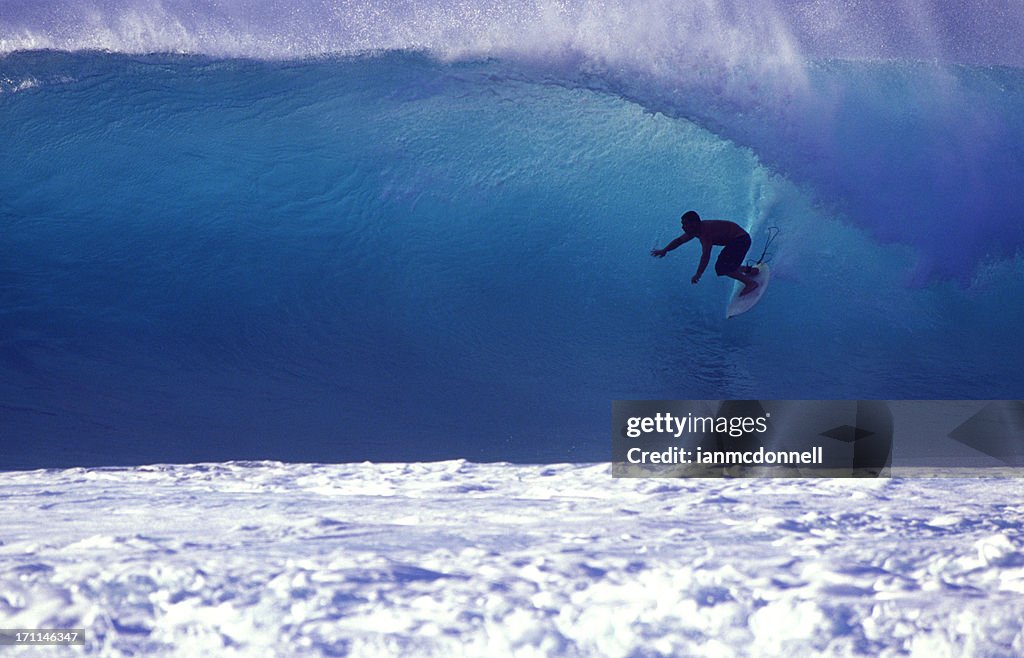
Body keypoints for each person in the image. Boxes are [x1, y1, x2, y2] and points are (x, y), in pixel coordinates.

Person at [651, 210, 759, 296]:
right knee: (726, 263)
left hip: (740, 240)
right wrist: (664, 250)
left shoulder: (705, 233)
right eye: (682, 224)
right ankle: (750, 271)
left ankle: (750, 283)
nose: (683, 227)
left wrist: (698, 274)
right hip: (737, 240)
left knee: (722, 267)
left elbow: (706, 256)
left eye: (685, 224)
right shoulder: (695, 230)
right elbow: (679, 241)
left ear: (694, 224)